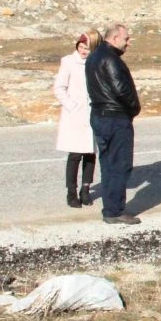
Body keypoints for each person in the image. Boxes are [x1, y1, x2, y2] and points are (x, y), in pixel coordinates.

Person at [86, 23, 141, 224]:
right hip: (114, 117)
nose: (128, 43)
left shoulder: (94, 56)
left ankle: (111, 208)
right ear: (115, 38)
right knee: (119, 165)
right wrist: (135, 108)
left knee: (108, 163)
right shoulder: (110, 59)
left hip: (100, 116)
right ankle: (114, 210)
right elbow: (121, 89)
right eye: (126, 39)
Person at [52, 29, 101, 209]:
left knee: (90, 153)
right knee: (75, 154)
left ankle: (85, 190)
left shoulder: (96, 62)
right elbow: (59, 88)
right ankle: (71, 192)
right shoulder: (68, 62)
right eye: (81, 47)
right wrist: (72, 107)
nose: (83, 51)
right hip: (75, 114)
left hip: (92, 113)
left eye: (87, 48)